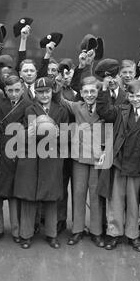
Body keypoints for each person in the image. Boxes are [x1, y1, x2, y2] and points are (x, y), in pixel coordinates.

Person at [97, 80, 140, 251]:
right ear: (127, 96)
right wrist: (105, 90)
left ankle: (133, 235)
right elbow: (104, 110)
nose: (136, 99)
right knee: (115, 200)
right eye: (132, 96)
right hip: (119, 162)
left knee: (133, 201)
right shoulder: (120, 110)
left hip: (138, 165)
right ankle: (114, 233)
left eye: (139, 95)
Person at [13, 77, 68, 249]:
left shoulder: (61, 110)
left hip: (52, 159)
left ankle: (51, 235)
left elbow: (65, 137)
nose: (44, 95)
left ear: (52, 92)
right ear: (35, 93)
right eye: (40, 92)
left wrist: (57, 134)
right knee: (29, 198)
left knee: (51, 198)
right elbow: (22, 135)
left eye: (47, 91)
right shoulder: (29, 109)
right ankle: (26, 235)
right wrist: (34, 129)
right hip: (31, 159)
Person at [0, 74, 33, 243]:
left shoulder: (29, 106)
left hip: (16, 154)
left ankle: (17, 231)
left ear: (23, 89)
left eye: (17, 90)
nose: (14, 93)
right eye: (10, 90)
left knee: (14, 195)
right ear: (4, 90)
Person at [59, 75, 105, 248]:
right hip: (79, 157)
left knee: (95, 195)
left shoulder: (105, 108)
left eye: (93, 91)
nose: (89, 94)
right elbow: (60, 99)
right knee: (78, 193)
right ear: (81, 93)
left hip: (98, 157)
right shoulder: (77, 106)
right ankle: (77, 230)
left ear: (98, 92)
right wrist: (60, 83)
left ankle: (96, 232)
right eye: (86, 91)